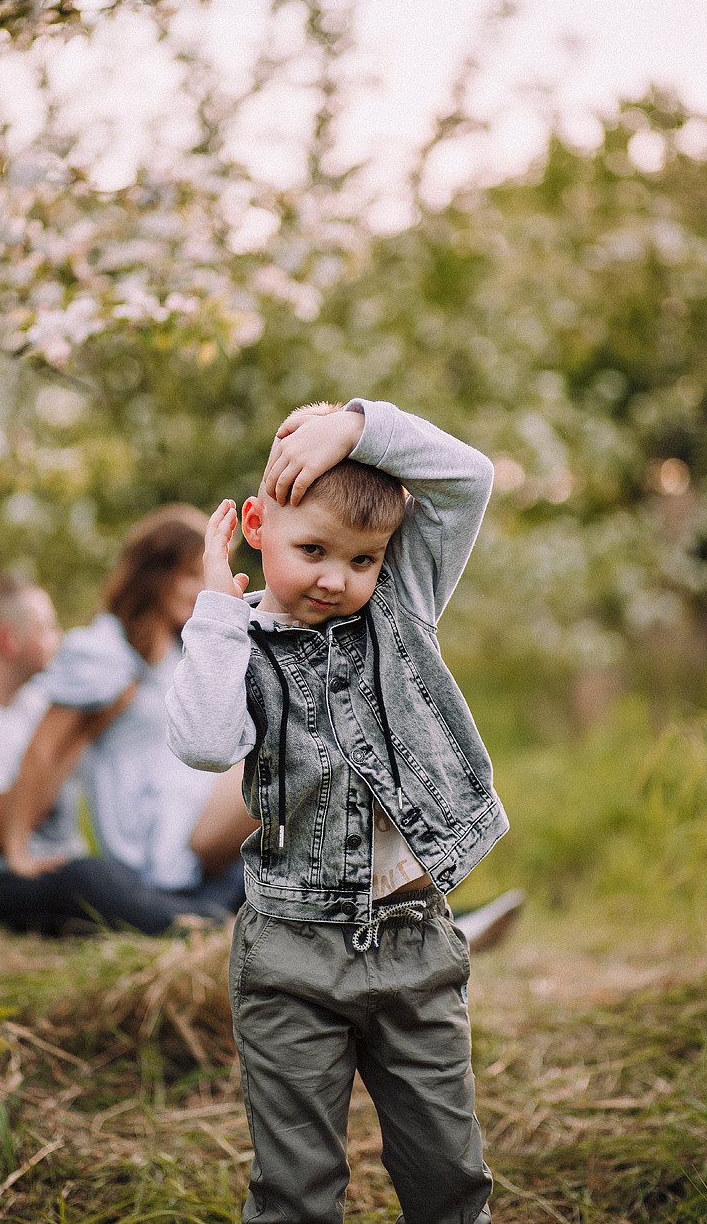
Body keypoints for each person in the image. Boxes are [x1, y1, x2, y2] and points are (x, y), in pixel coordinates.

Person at [165, 398, 509, 1224]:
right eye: (311, 550)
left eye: (363, 558)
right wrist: (215, 610)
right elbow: (205, 745)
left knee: (448, 1173)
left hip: (413, 940)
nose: (336, 578)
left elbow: (469, 478)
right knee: (296, 1186)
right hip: (291, 954)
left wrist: (357, 427)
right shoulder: (237, 645)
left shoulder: (400, 607)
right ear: (256, 527)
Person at [0, 574, 230, 933]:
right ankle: (206, 926)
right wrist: (82, 733)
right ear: (9, 639)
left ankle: (214, 911)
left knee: (126, 872)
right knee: (85, 879)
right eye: (47, 628)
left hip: (48, 869)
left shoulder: (34, 703)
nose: (60, 639)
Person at [3, 504, 256, 918]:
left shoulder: (175, 651)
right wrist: (18, 851)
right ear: (155, 575)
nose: (203, 589)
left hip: (194, 807)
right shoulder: (104, 650)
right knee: (289, 758)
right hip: (158, 835)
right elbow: (44, 750)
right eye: (192, 575)